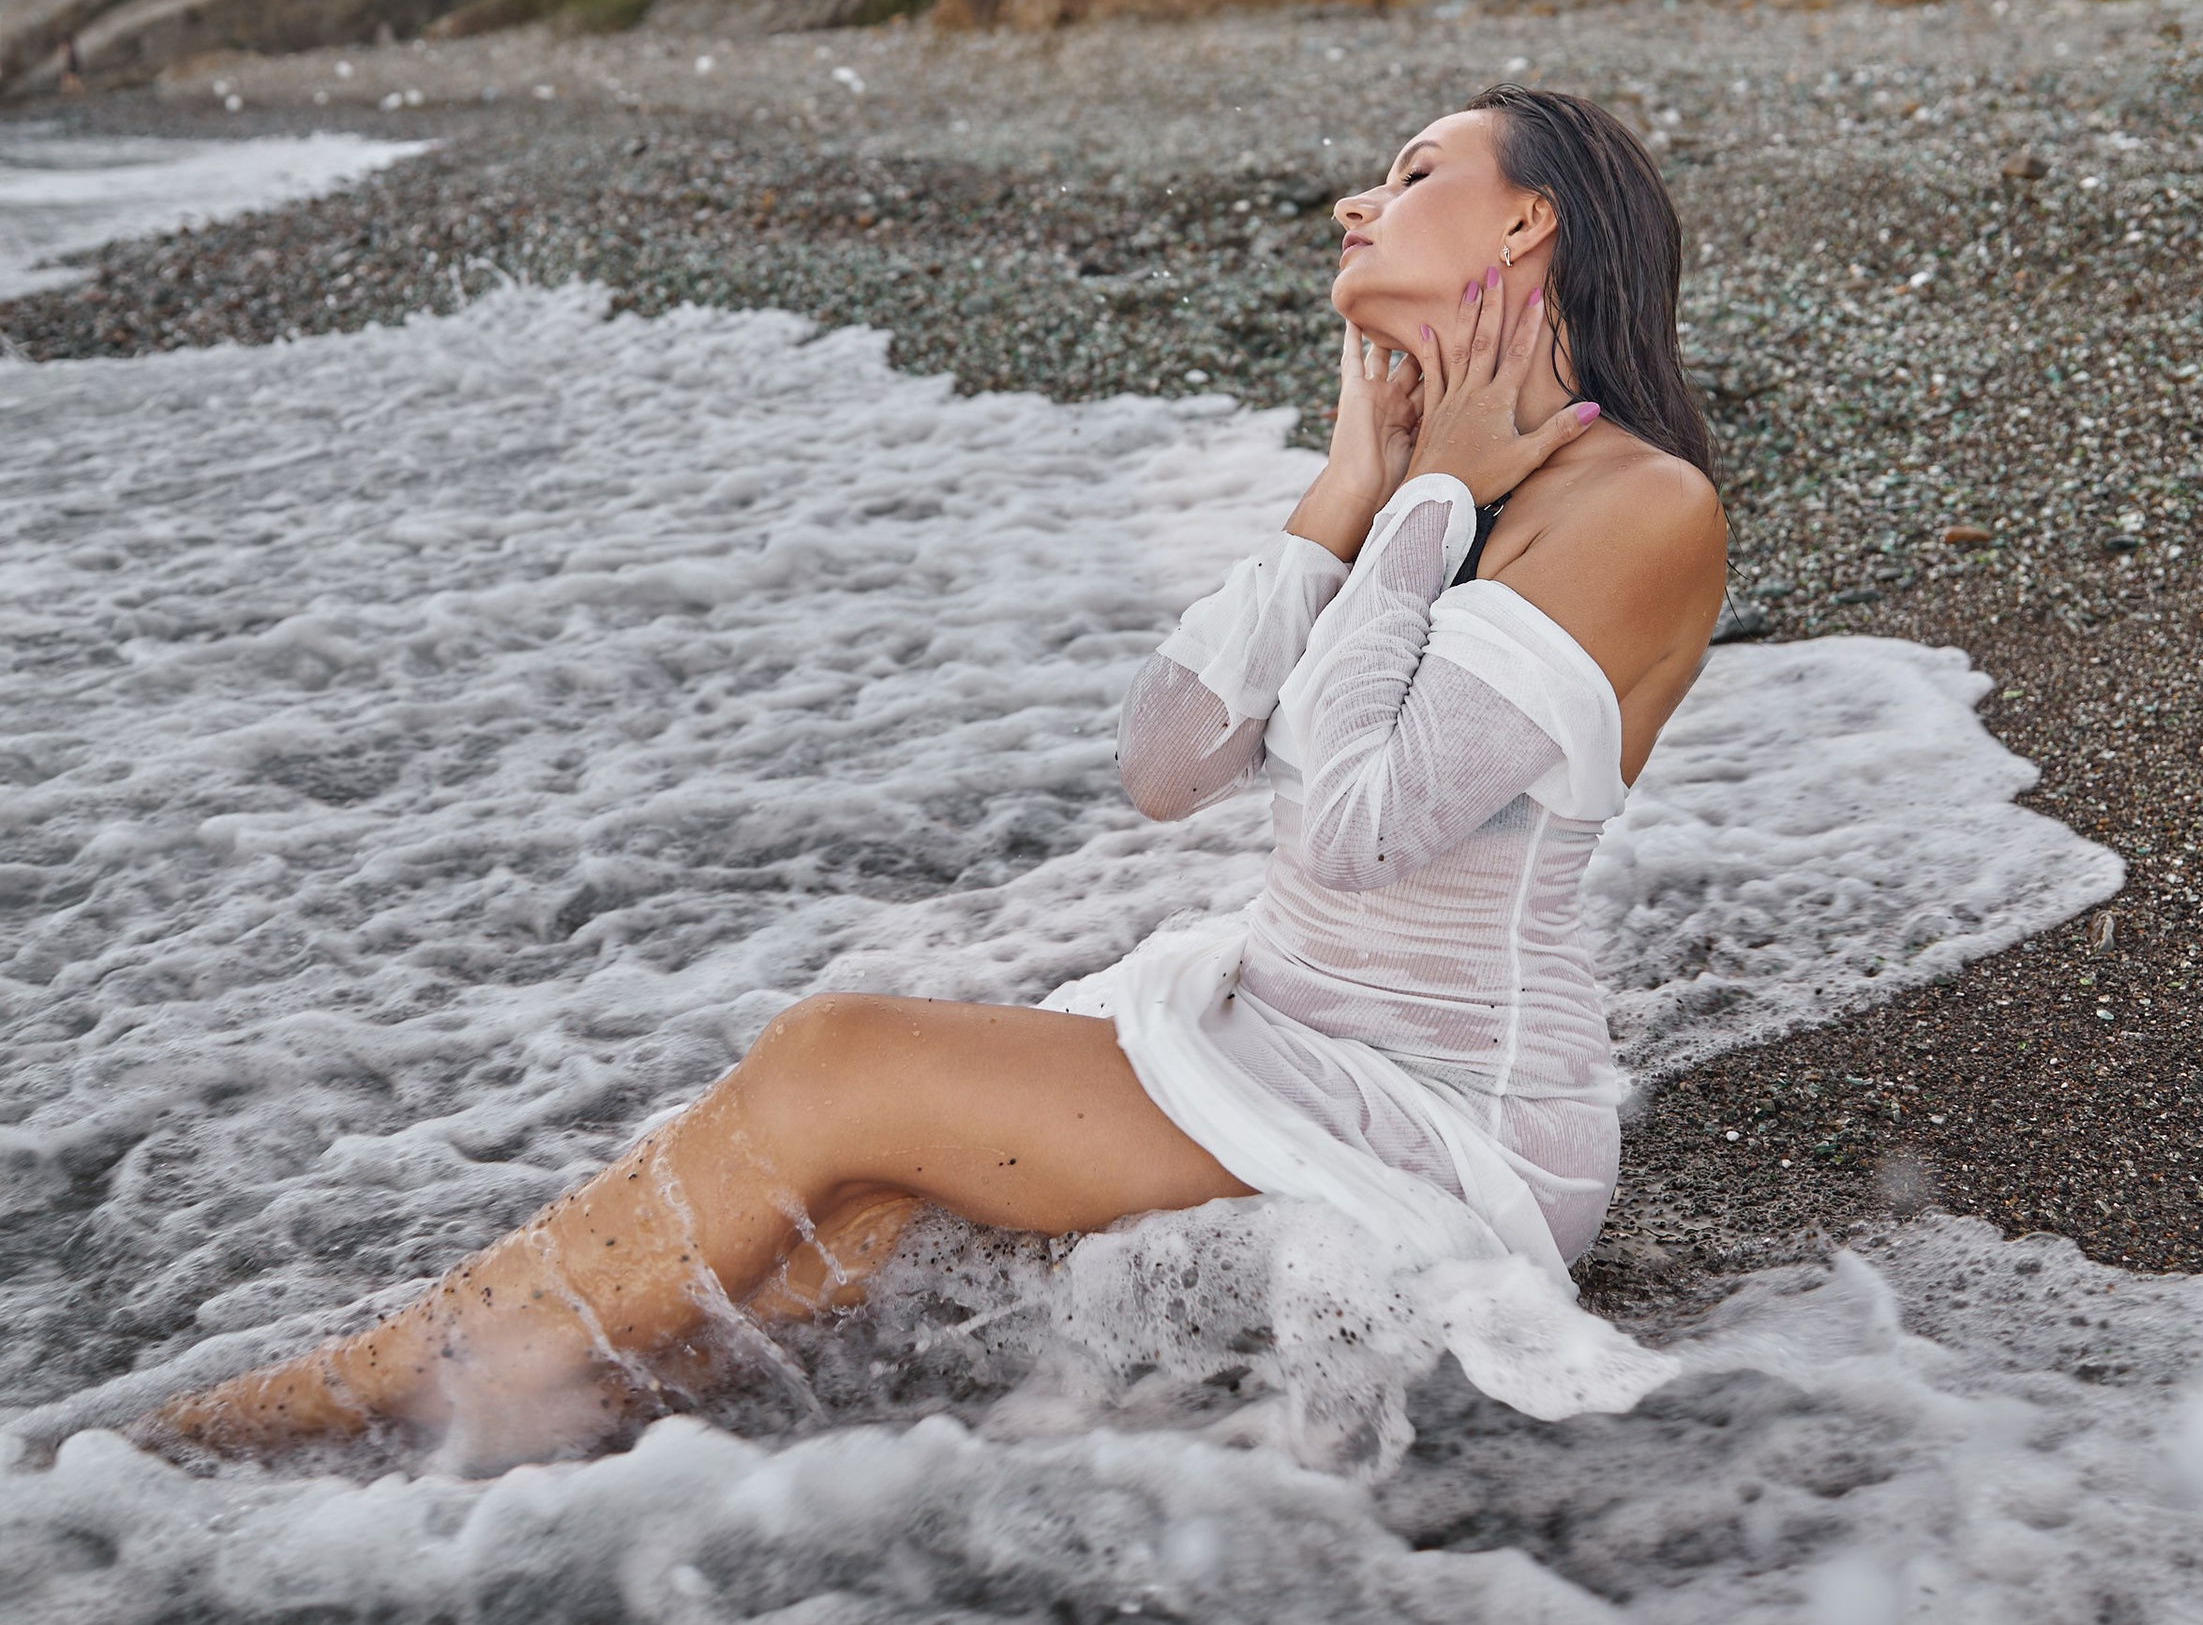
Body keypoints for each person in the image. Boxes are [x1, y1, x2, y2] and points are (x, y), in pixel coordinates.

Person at [154, 85, 1726, 1455]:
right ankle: (511, 1422)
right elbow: (1167, 766)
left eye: (1414, 168)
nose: (1356, 202)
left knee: (842, 1060)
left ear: (1527, 223)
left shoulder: (1639, 510)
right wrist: (1348, 489)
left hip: (1444, 1121)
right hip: (1280, 1019)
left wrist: (1429, 504)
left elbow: (1361, 828)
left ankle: (330, 1407)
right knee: (849, 1224)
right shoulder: (1415, 487)